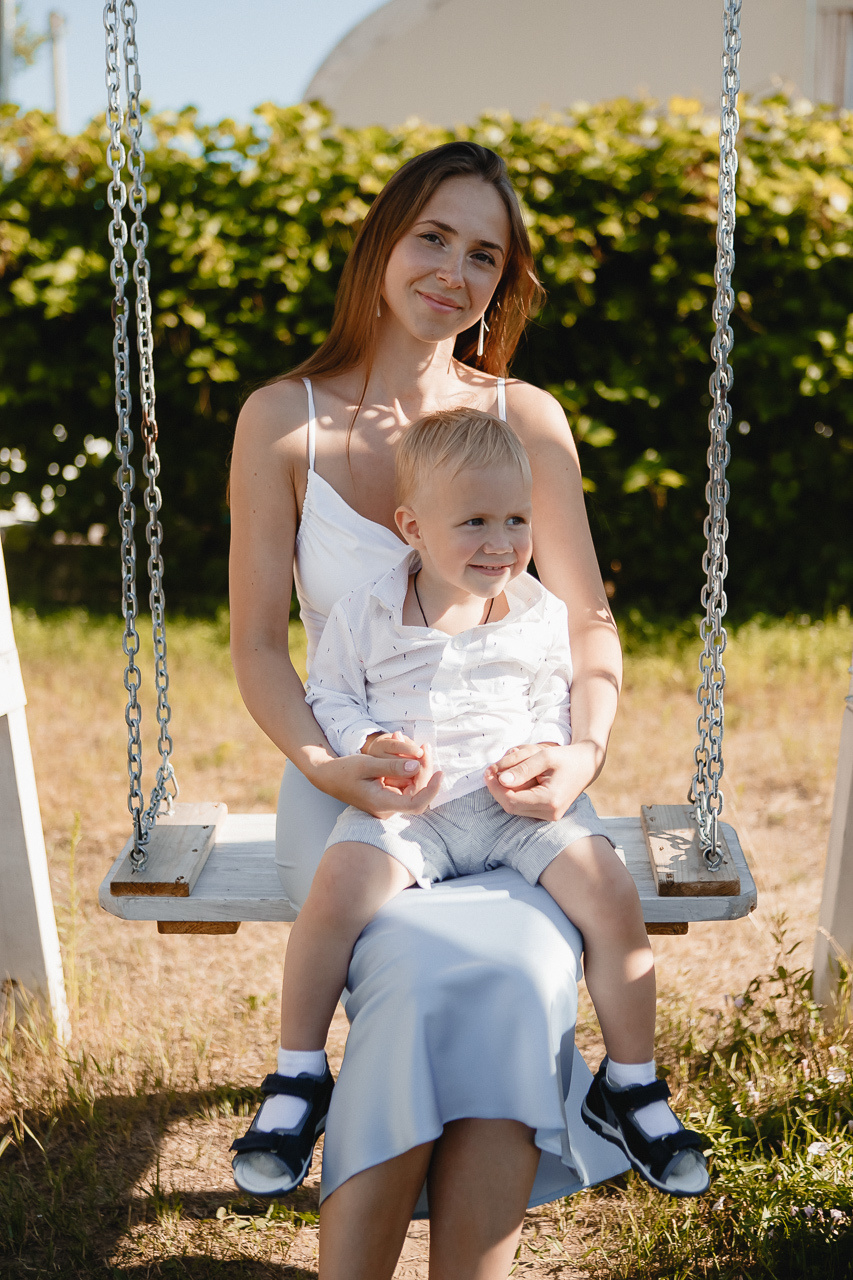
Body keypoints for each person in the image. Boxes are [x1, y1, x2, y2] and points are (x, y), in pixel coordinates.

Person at [227, 140, 655, 1280]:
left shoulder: (526, 419)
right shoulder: (285, 421)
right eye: (432, 237)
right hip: (361, 786)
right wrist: (326, 764)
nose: (452, 272)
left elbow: (588, 625)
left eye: (483, 254)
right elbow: (261, 647)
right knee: (419, 965)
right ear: (382, 240)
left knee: (515, 967)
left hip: (519, 783)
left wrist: (580, 753)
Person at [232, 406, 709, 1203]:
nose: (501, 542)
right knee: (335, 894)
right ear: (412, 526)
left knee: (609, 889)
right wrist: (369, 746)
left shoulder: (537, 614)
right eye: (475, 522)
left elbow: (557, 697)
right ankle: (298, 1078)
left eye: (516, 519)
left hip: (512, 806)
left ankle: (629, 1084)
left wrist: (556, 755)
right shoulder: (366, 613)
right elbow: (330, 694)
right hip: (410, 807)